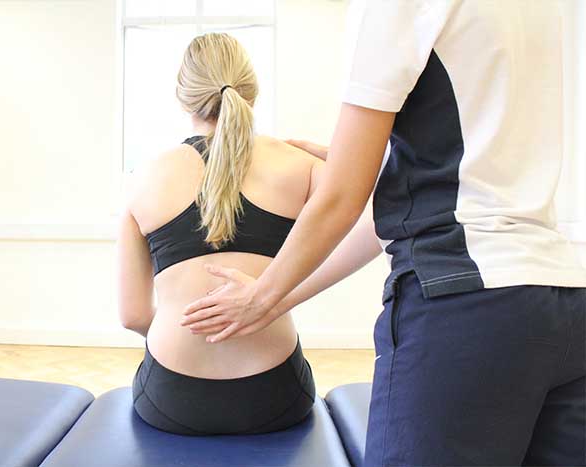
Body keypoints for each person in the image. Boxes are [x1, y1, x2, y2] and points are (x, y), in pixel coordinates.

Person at [182, 1, 586, 465]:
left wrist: (262, 297)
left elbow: (342, 198)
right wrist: (278, 296)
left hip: (463, 304)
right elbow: (410, 197)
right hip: (563, 301)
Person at [117, 33, 323, 436]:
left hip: (171, 399)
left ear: (184, 99)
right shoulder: (300, 164)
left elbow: (133, 316)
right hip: (277, 396)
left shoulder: (145, 178)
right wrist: (332, 154)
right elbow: (380, 200)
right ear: (252, 92)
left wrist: (190, 332)